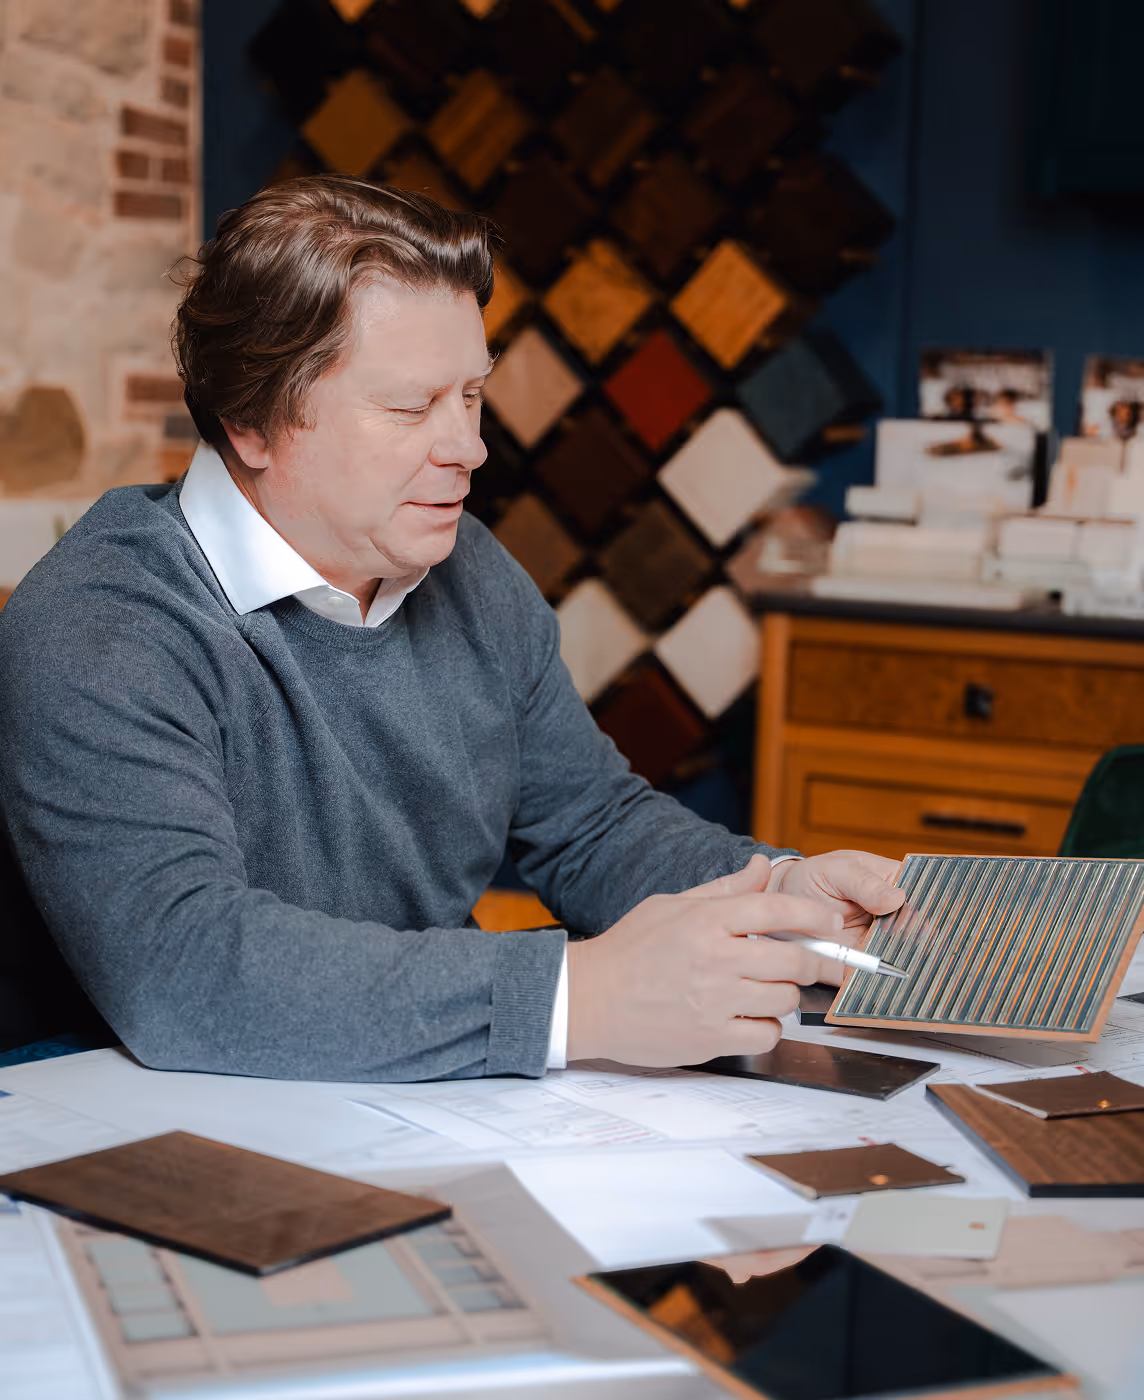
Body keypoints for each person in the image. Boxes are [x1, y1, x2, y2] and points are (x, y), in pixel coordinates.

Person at [0, 176, 902, 1082]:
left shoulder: (465, 567)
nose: (467, 446)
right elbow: (185, 970)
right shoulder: (102, 624)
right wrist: (578, 997)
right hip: (141, 1113)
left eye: (471, 396)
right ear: (251, 421)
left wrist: (778, 892)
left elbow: (590, 825)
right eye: (409, 408)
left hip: (415, 1094)